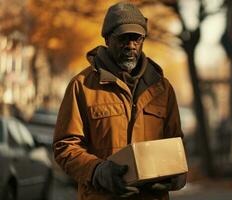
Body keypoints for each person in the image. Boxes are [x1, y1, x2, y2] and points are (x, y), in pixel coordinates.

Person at [53, 2, 185, 200]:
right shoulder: (82, 86)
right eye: (124, 38)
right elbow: (65, 146)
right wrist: (97, 171)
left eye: (137, 39)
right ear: (107, 38)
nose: (131, 45)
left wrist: (176, 176)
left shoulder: (162, 89)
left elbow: (176, 145)